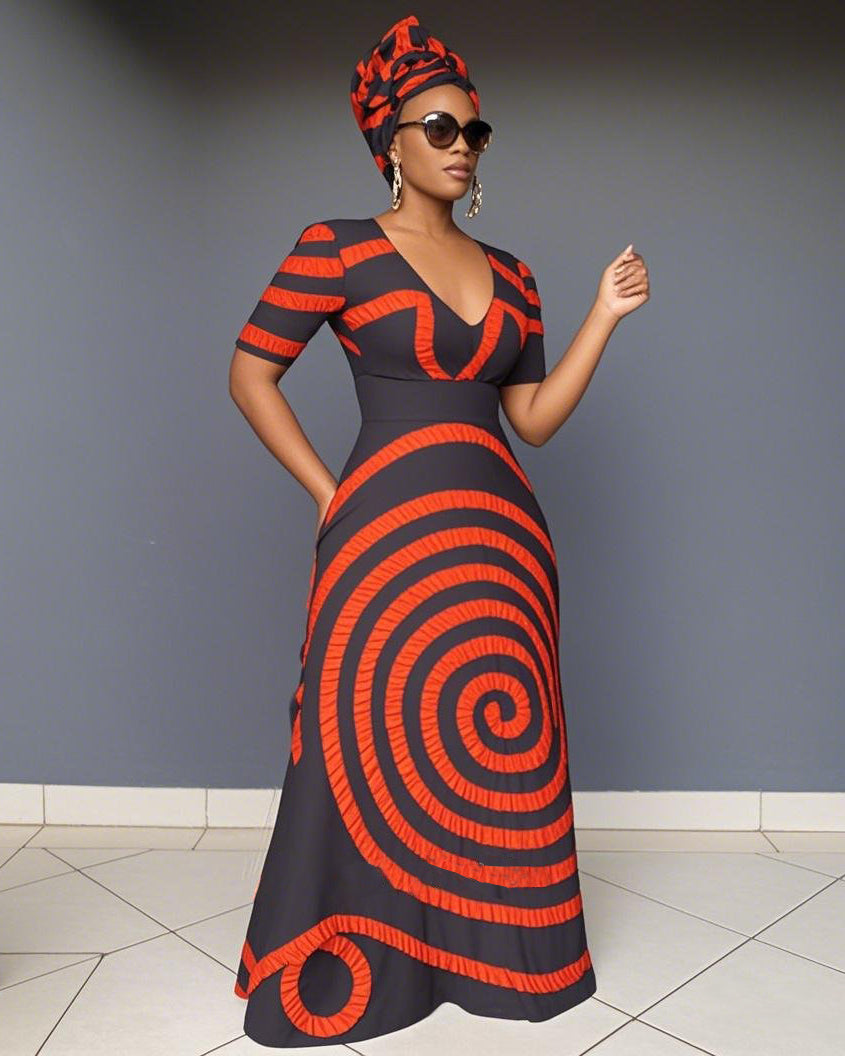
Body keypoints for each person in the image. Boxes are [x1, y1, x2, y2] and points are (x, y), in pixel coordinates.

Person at [228, 12, 649, 1048]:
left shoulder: (514, 273)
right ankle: (374, 965)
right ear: (391, 142)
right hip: (381, 532)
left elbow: (531, 421)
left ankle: (500, 962)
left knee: (493, 737)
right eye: (439, 127)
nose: (462, 146)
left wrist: (600, 316)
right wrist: (328, 493)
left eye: (474, 130)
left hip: (503, 542)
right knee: (362, 737)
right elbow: (250, 373)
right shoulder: (333, 247)